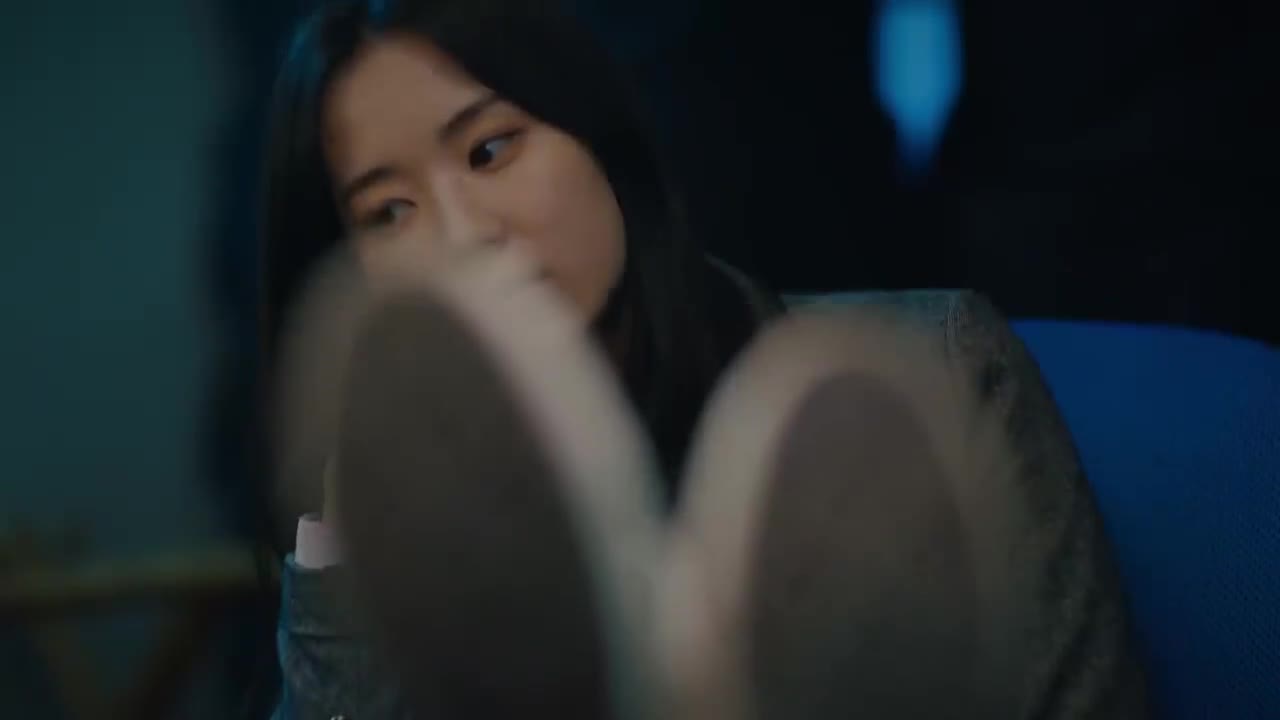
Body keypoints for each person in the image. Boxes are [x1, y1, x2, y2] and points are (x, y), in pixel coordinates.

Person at [254, 0, 1148, 718]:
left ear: (598, 138)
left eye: (491, 150)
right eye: (388, 214)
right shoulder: (409, 532)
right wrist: (341, 558)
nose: (462, 235)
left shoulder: (935, 368)